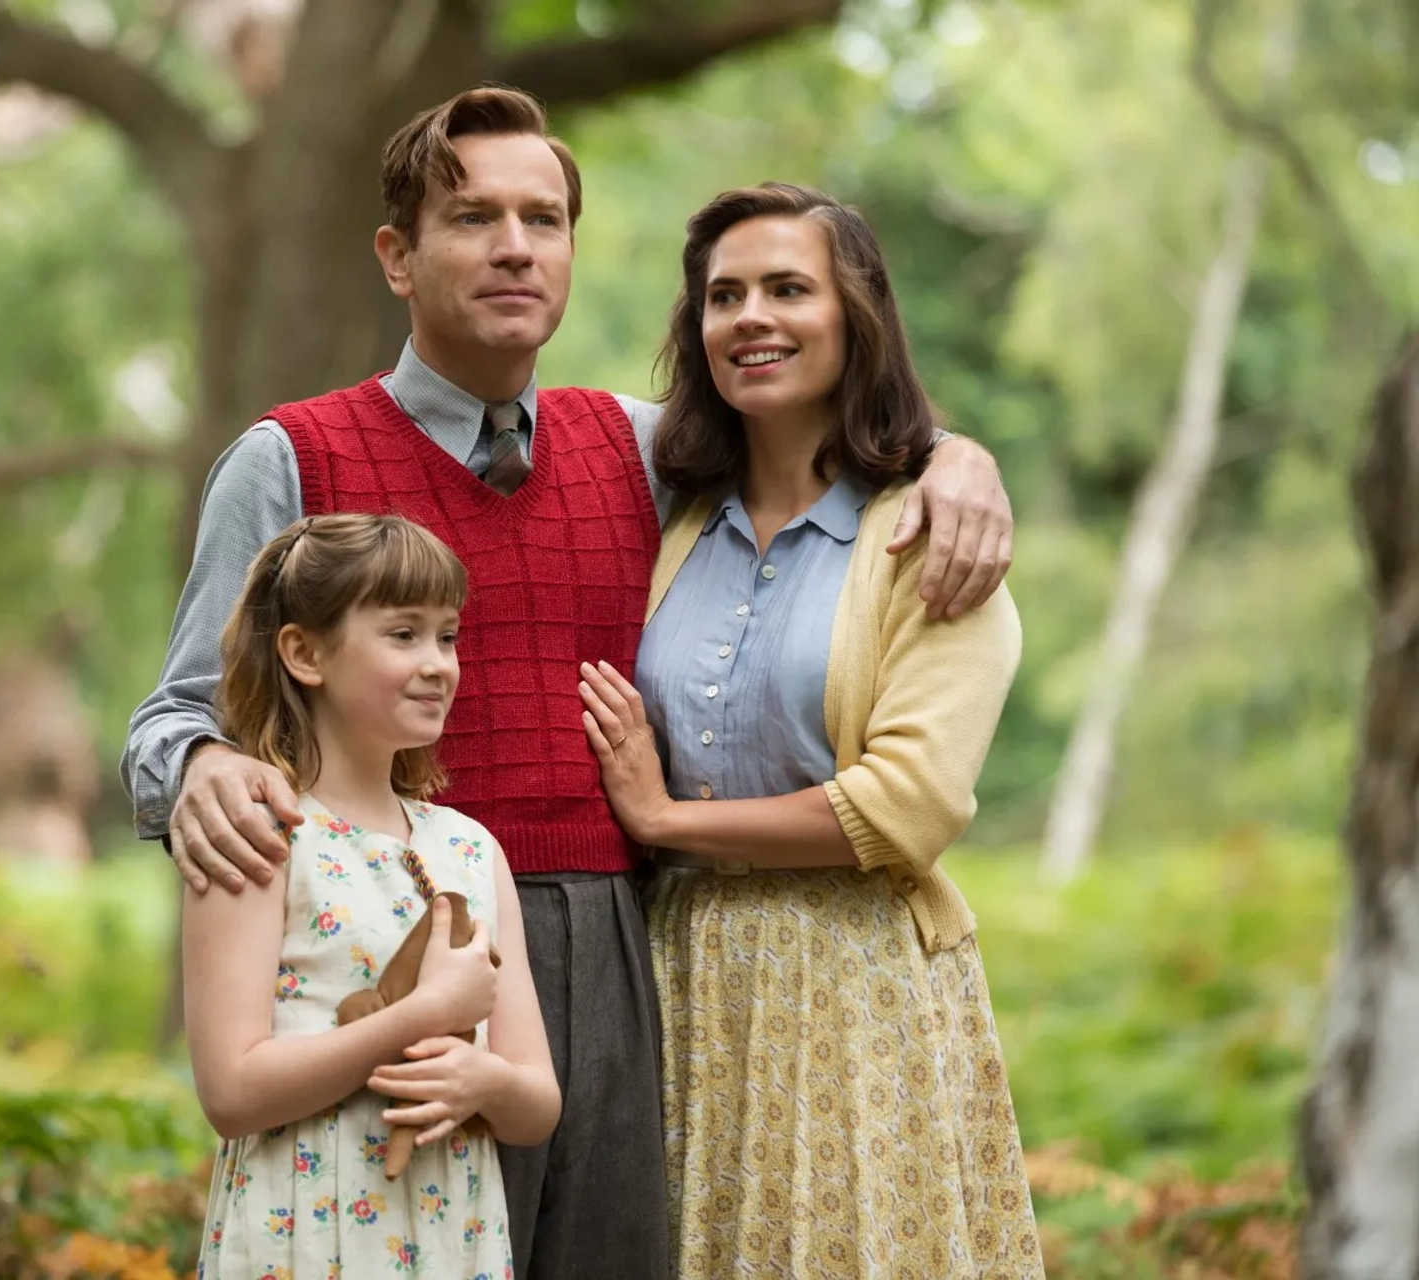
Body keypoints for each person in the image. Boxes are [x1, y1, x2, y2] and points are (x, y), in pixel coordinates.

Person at [126, 86, 1016, 1280]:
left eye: (542, 219)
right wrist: (201, 762)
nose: (513, 247)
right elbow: (175, 714)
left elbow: (814, 432)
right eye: (473, 217)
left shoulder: (644, 450)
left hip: (616, 946)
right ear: (397, 254)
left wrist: (959, 459)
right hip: (390, 953)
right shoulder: (291, 459)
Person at [577, 182, 1042, 1277]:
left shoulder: (932, 534)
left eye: (789, 288)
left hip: (850, 987)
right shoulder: (669, 517)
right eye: (723, 295)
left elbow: (908, 805)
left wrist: (661, 814)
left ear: (857, 315)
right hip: (679, 982)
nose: (751, 317)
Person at [184, 512, 558, 1280]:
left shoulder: (469, 849)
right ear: (304, 652)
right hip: (304, 1239)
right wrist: (423, 1018)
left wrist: (483, 1082)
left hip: (450, 1236)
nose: (438, 664)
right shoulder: (260, 835)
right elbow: (231, 1090)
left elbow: (536, 1102)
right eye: (403, 634)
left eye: (448, 636)